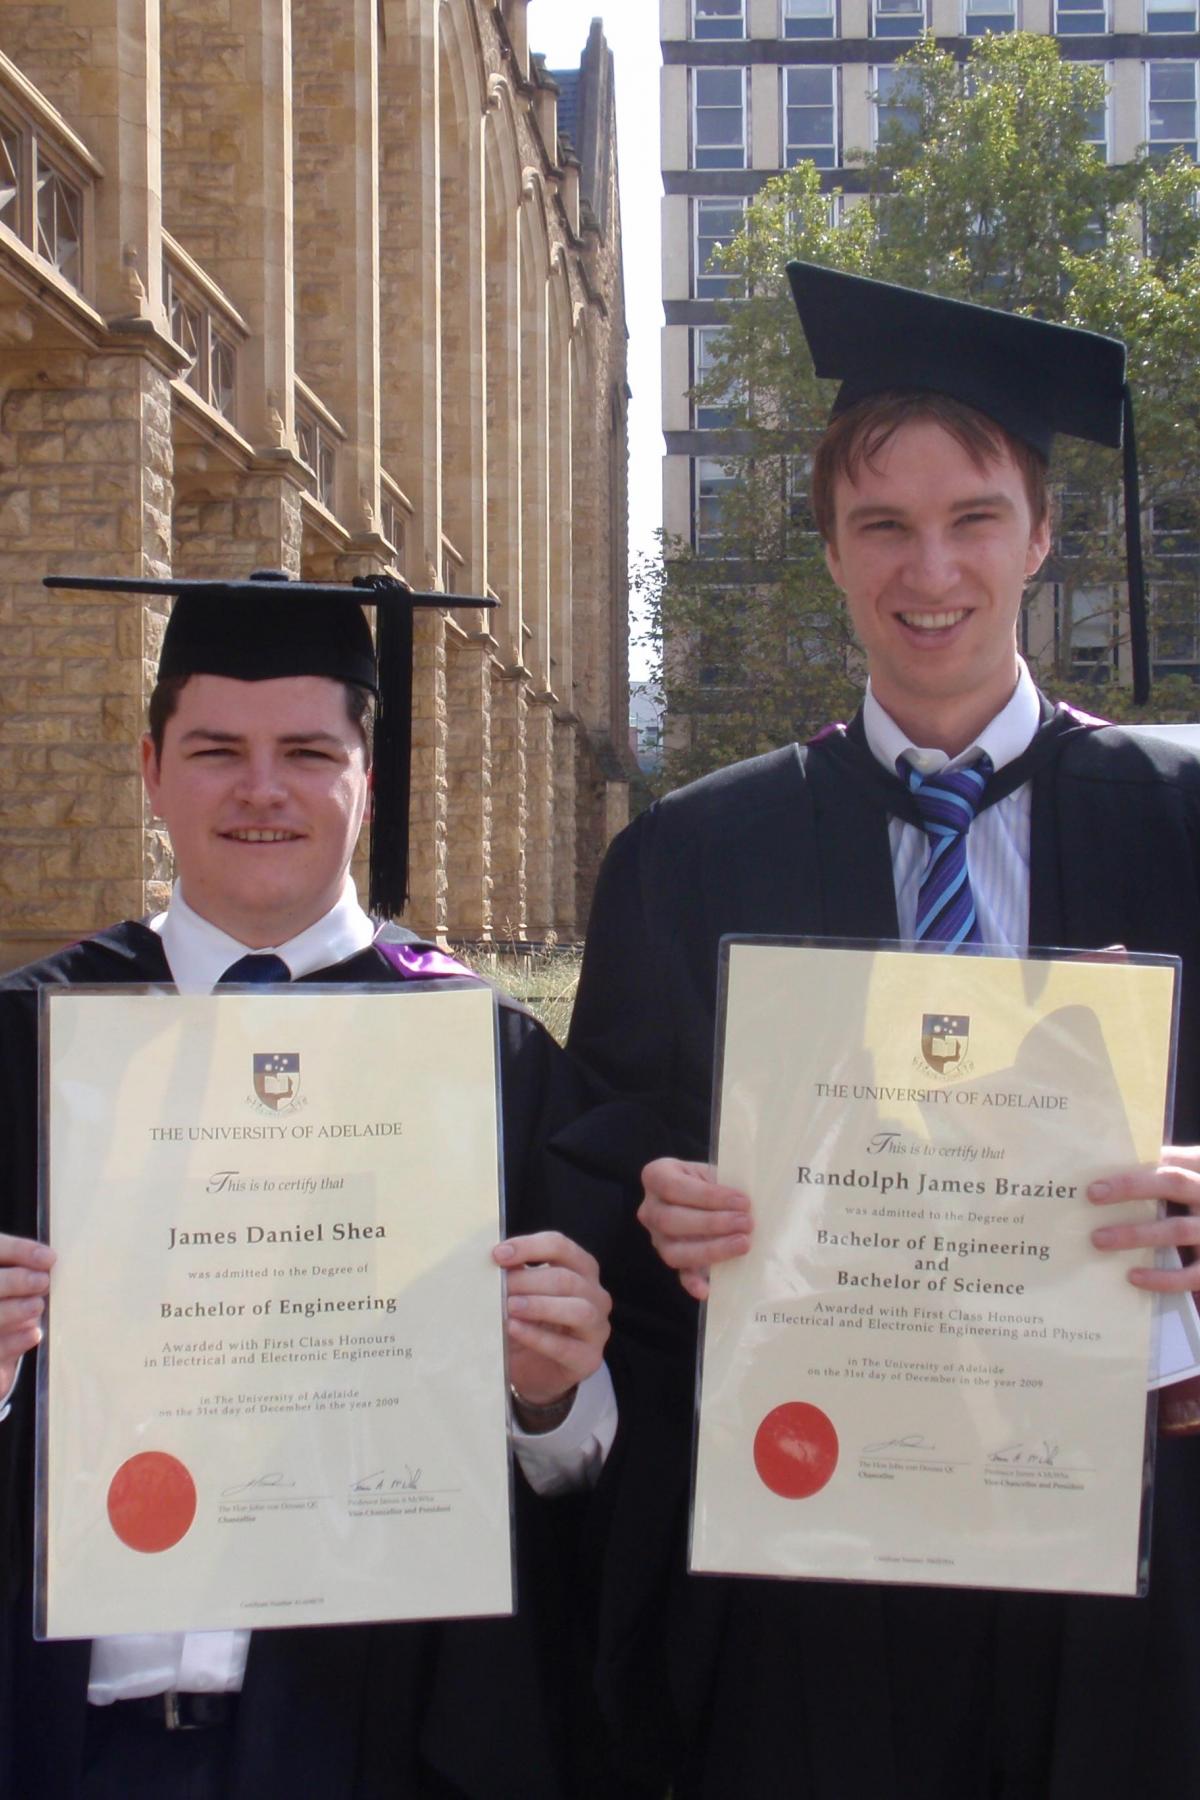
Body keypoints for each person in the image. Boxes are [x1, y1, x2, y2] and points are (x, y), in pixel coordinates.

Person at [568, 265, 1200, 1799]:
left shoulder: (1183, 824)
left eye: (975, 517)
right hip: (815, 1563)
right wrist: (660, 1217)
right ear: (832, 550)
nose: (934, 569)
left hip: (1131, 1554)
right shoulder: (693, 858)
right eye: (884, 525)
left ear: (1040, 535)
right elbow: (593, 1234)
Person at [0, 572, 673, 1799]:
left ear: (366, 776)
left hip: (379, 1731)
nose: (263, 789)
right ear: (150, 769)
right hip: (67, 1732)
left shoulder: (486, 1062)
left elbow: (589, 1469)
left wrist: (552, 1396)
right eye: (216, 750)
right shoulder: (29, 1044)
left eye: (309, 751)